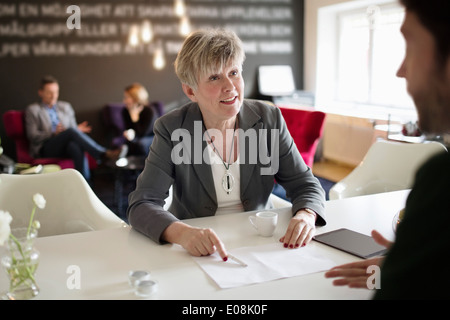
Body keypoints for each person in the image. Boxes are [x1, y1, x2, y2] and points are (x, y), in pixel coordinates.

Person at [127, 28, 326, 260]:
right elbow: (142, 204)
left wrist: (306, 214)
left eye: (233, 72)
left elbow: (305, 183)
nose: (230, 86)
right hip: (196, 250)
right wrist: (183, 234)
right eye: (214, 77)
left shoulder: (269, 118)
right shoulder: (172, 128)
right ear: (191, 90)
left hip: (261, 242)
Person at [325, 0, 450, 299]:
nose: (400, 71)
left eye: (410, 45)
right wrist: (425, 268)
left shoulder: (440, 181)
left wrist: (405, 278)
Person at [25, 75, 124, 181]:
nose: (53, 96)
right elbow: (32, 135)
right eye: (49, 92)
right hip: (45, 147)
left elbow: (71, 129)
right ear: (41, 92)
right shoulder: (33, 110)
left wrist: (75, 130)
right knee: (72, 132)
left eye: (56, 92)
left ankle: (85, 185)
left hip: (66, 144)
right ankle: (102, 153)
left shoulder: (65, 107)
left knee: (75, 146)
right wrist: (53, 133)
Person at [121, 83, 158, 156]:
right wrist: (128, 133)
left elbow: (143, 133)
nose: (124, 101)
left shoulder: (149, 111)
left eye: (126, 97)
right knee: (129, 143)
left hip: (152, 136)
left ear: (136, 98)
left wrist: (134, 118)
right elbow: (129, 128)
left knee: (141, 143)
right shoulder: (125, 111)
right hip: (137, 136)